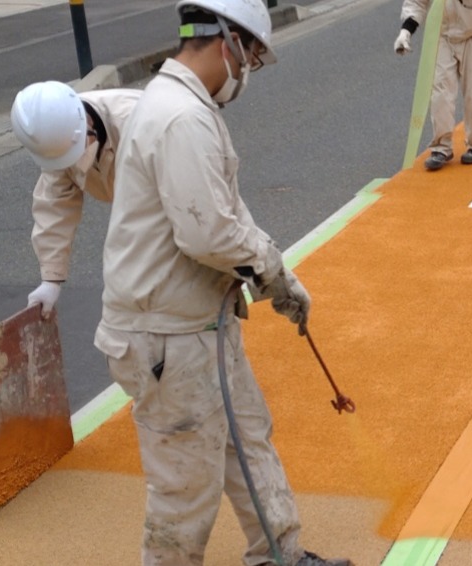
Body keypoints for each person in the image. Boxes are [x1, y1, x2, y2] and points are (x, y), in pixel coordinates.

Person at [91, 0, 349, 565]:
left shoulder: (179, 104)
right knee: (185, 488)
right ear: (227, 42)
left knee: (246, 439)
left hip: (196, 324)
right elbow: (208, 234)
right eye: (252, 56)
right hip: (167, 339)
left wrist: (277, 277)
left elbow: (222, 211)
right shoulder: (181, 117)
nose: (249, 71)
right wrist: (273, 274)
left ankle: (279, 555)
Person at [10, 81, 141, 317]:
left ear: (87, 123)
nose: (75, 161)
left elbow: (179, 198)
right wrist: (51, 280)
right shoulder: (55, 135)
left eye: (78, 150)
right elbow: (54, 204)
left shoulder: (140, 123)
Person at [393, 0, 472, 171]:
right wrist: (406, 30)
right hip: (443, 34)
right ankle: (441, 147)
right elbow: (417, 2)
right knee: (441, 91)